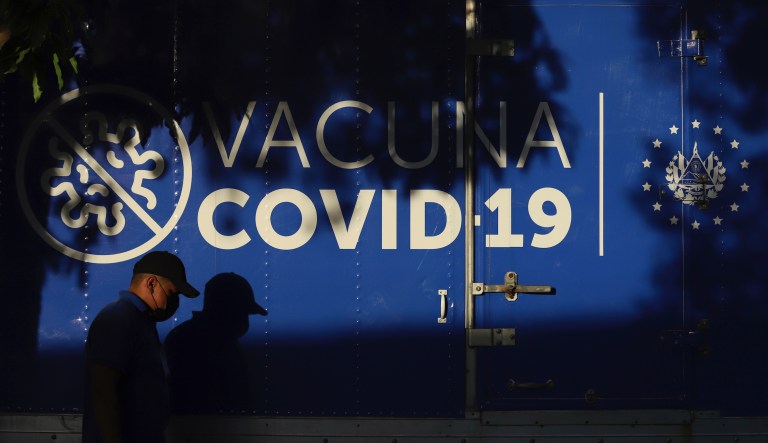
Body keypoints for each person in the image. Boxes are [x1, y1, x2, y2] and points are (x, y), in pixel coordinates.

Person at [82, 251, 200, 443]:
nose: (175, 302)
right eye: (171, 293)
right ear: (152, 283)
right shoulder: (118, 319)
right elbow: (103, 388)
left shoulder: (141, 322)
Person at [165, 272, 267, 413]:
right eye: (242, 313)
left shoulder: (184, 336)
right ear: (228, 312)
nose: (244, 321)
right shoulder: (198, 344)